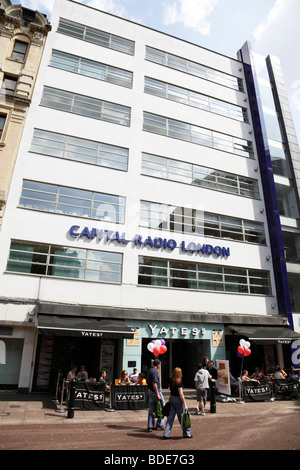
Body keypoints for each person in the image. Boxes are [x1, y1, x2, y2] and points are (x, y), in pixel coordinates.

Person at [163, 367, 192, 439]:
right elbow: (181, 394)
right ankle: (186, 433)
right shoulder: (179, 381)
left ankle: (166, 434)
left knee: (170, 418)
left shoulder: (171, 380)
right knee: (182, 417)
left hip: (172, 398)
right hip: (178, 400)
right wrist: (185, 404)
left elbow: (169, 389)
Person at [146, 358, 165, 431]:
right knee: (162, 406)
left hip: (150, 391)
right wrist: (157, 394)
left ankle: (150, 425)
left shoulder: (150, 370)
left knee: (151, 408)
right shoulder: (154, 371)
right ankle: (160, 423)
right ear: (158, 364)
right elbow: (154, 383)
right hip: (155, 392)